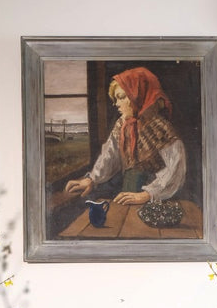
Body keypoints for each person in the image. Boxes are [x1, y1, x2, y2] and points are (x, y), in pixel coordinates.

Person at [65, 66, 186, 206]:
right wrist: (92, 179)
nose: (116, 104)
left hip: (160, 197)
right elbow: (110, 155)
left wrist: (148, 194)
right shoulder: (122, 124)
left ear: (138, 96)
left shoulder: (161, 128)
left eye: (121, 97)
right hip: (129, 191)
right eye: (115, 99)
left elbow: (176, 169)